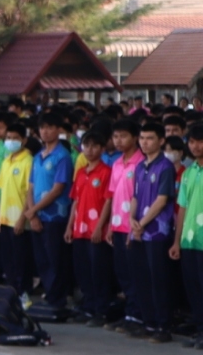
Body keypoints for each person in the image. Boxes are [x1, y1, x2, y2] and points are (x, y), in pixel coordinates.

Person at [129, 121, 176, 341]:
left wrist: (144, 222)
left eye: (149, 138)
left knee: (158, 279)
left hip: (157, 232)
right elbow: (136, 196)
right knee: (142, 278)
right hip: (138, 231)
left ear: (161, 140)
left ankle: (163, 325)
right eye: (142, 138)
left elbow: (162, 200)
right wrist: (131, 219)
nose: (144, 143)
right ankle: (148, 322)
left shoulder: (166, 167)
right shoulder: (140, 166)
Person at [67, 120, 115, 326]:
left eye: (95, 146)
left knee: (99, 271)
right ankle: (88, 306)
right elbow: (75, 201)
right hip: (79, 228)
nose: (90, 150)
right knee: (83, 270)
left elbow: (108, 201)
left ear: (103, 148)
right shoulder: (80, 172)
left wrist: (99, 227)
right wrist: (70, 225)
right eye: (86, 146)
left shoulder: (106, 172)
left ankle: (101, 309)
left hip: (97, 229)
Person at [27, 113, 74, 308]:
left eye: (50, 127)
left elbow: (58, 189)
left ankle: (57, 298)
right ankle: (49, 294)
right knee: (42, 260)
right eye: (42, 128)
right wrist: (33, 213)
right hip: (38, 216)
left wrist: (33, 210)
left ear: (58, 130)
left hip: (55, 216)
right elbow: (30, 187)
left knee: (56, 259)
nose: (45, 132)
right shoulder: (37, 156)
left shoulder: (62, 156)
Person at [105, 119, 143, 332]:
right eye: (116, 136)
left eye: (123, 136)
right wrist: (110, 224)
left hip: (133, 226)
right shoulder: (117, 162)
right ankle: (129, 313)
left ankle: (137, 315)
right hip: (117, 225)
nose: (118, 141)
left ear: (135, 137)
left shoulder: (140, 163)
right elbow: (112, 196)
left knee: (134, 272)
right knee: (122, 273)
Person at [0, 122, 35, 297]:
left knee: (21, 261)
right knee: (8, 260)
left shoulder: (28, 161)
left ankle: (23, 294)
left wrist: (22, 218)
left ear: (24, 140)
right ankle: (11, 294)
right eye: (8, 138)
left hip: (20, 220)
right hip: (4, 219)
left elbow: (29, 192)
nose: (11, 141)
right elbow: (2, 191)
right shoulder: (6, 161)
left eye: (15, 138)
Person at [175, 123, 203, 348]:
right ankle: (199, 328)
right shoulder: (188, 172)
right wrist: (177, 240)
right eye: (192, 142)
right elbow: (182, 207)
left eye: (200, 141)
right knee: (193, 285)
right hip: (189, 239)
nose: (195, 146)